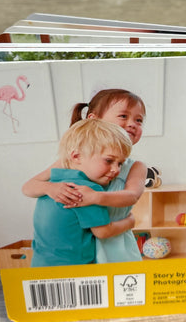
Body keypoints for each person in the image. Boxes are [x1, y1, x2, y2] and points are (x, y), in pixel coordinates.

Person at [22, 89, 147, 263]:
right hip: (85, 244)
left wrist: (96, 198)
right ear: (94, 119)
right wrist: (50, 188)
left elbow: (132, 195)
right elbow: (28, 187)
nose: (132, 124)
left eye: (139, 120)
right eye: (123, 116)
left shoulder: (135, 167)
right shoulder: (73, 161)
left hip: (114, 245)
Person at [30, 119, 135, 267]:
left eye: (120, 164)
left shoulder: (52, 182)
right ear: (76, 157)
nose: (116, 170)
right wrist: (130, 221)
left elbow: (27, 188)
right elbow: (103, 232)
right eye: (109, 160)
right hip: (74, 269)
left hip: (39, 264)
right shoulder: (87, 189)